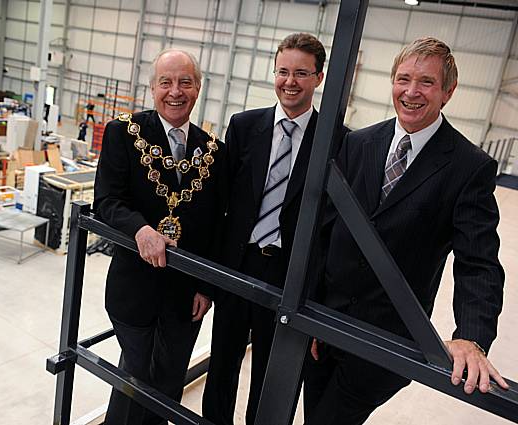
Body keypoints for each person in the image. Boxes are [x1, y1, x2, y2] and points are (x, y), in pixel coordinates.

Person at [303, 36, 509, 425]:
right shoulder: (359, 143)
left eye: (427, 82)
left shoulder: (467, 166)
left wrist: (471, 336)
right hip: (324, 330)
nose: (412, 92)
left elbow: (478, 262)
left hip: (387, 343)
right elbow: (326, 234)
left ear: (448, 91)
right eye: (403, 79)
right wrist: (310, 309)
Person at [202, 33, 347, 425]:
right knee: (222, 367)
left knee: (273, 376)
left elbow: (332, 229)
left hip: (290, 276)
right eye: (283, 71)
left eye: (301, 73)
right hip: (238, 264)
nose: (290, 81)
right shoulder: (245, 126)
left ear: (319, 77)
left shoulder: (337, 138)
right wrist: (207, 277)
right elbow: (221, 205)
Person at [93, 48, 225, 425]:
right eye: (165, 82)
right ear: (152, 88)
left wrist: (207, 287)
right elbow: (107, 199)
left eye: (185, 82)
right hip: (133, 288)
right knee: (136, 378)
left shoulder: (214, 151)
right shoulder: (124, 133)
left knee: (167, 384)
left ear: (198, 88)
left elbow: (216, 225)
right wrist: (140, 229)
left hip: (186, 297)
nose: (175, 91)